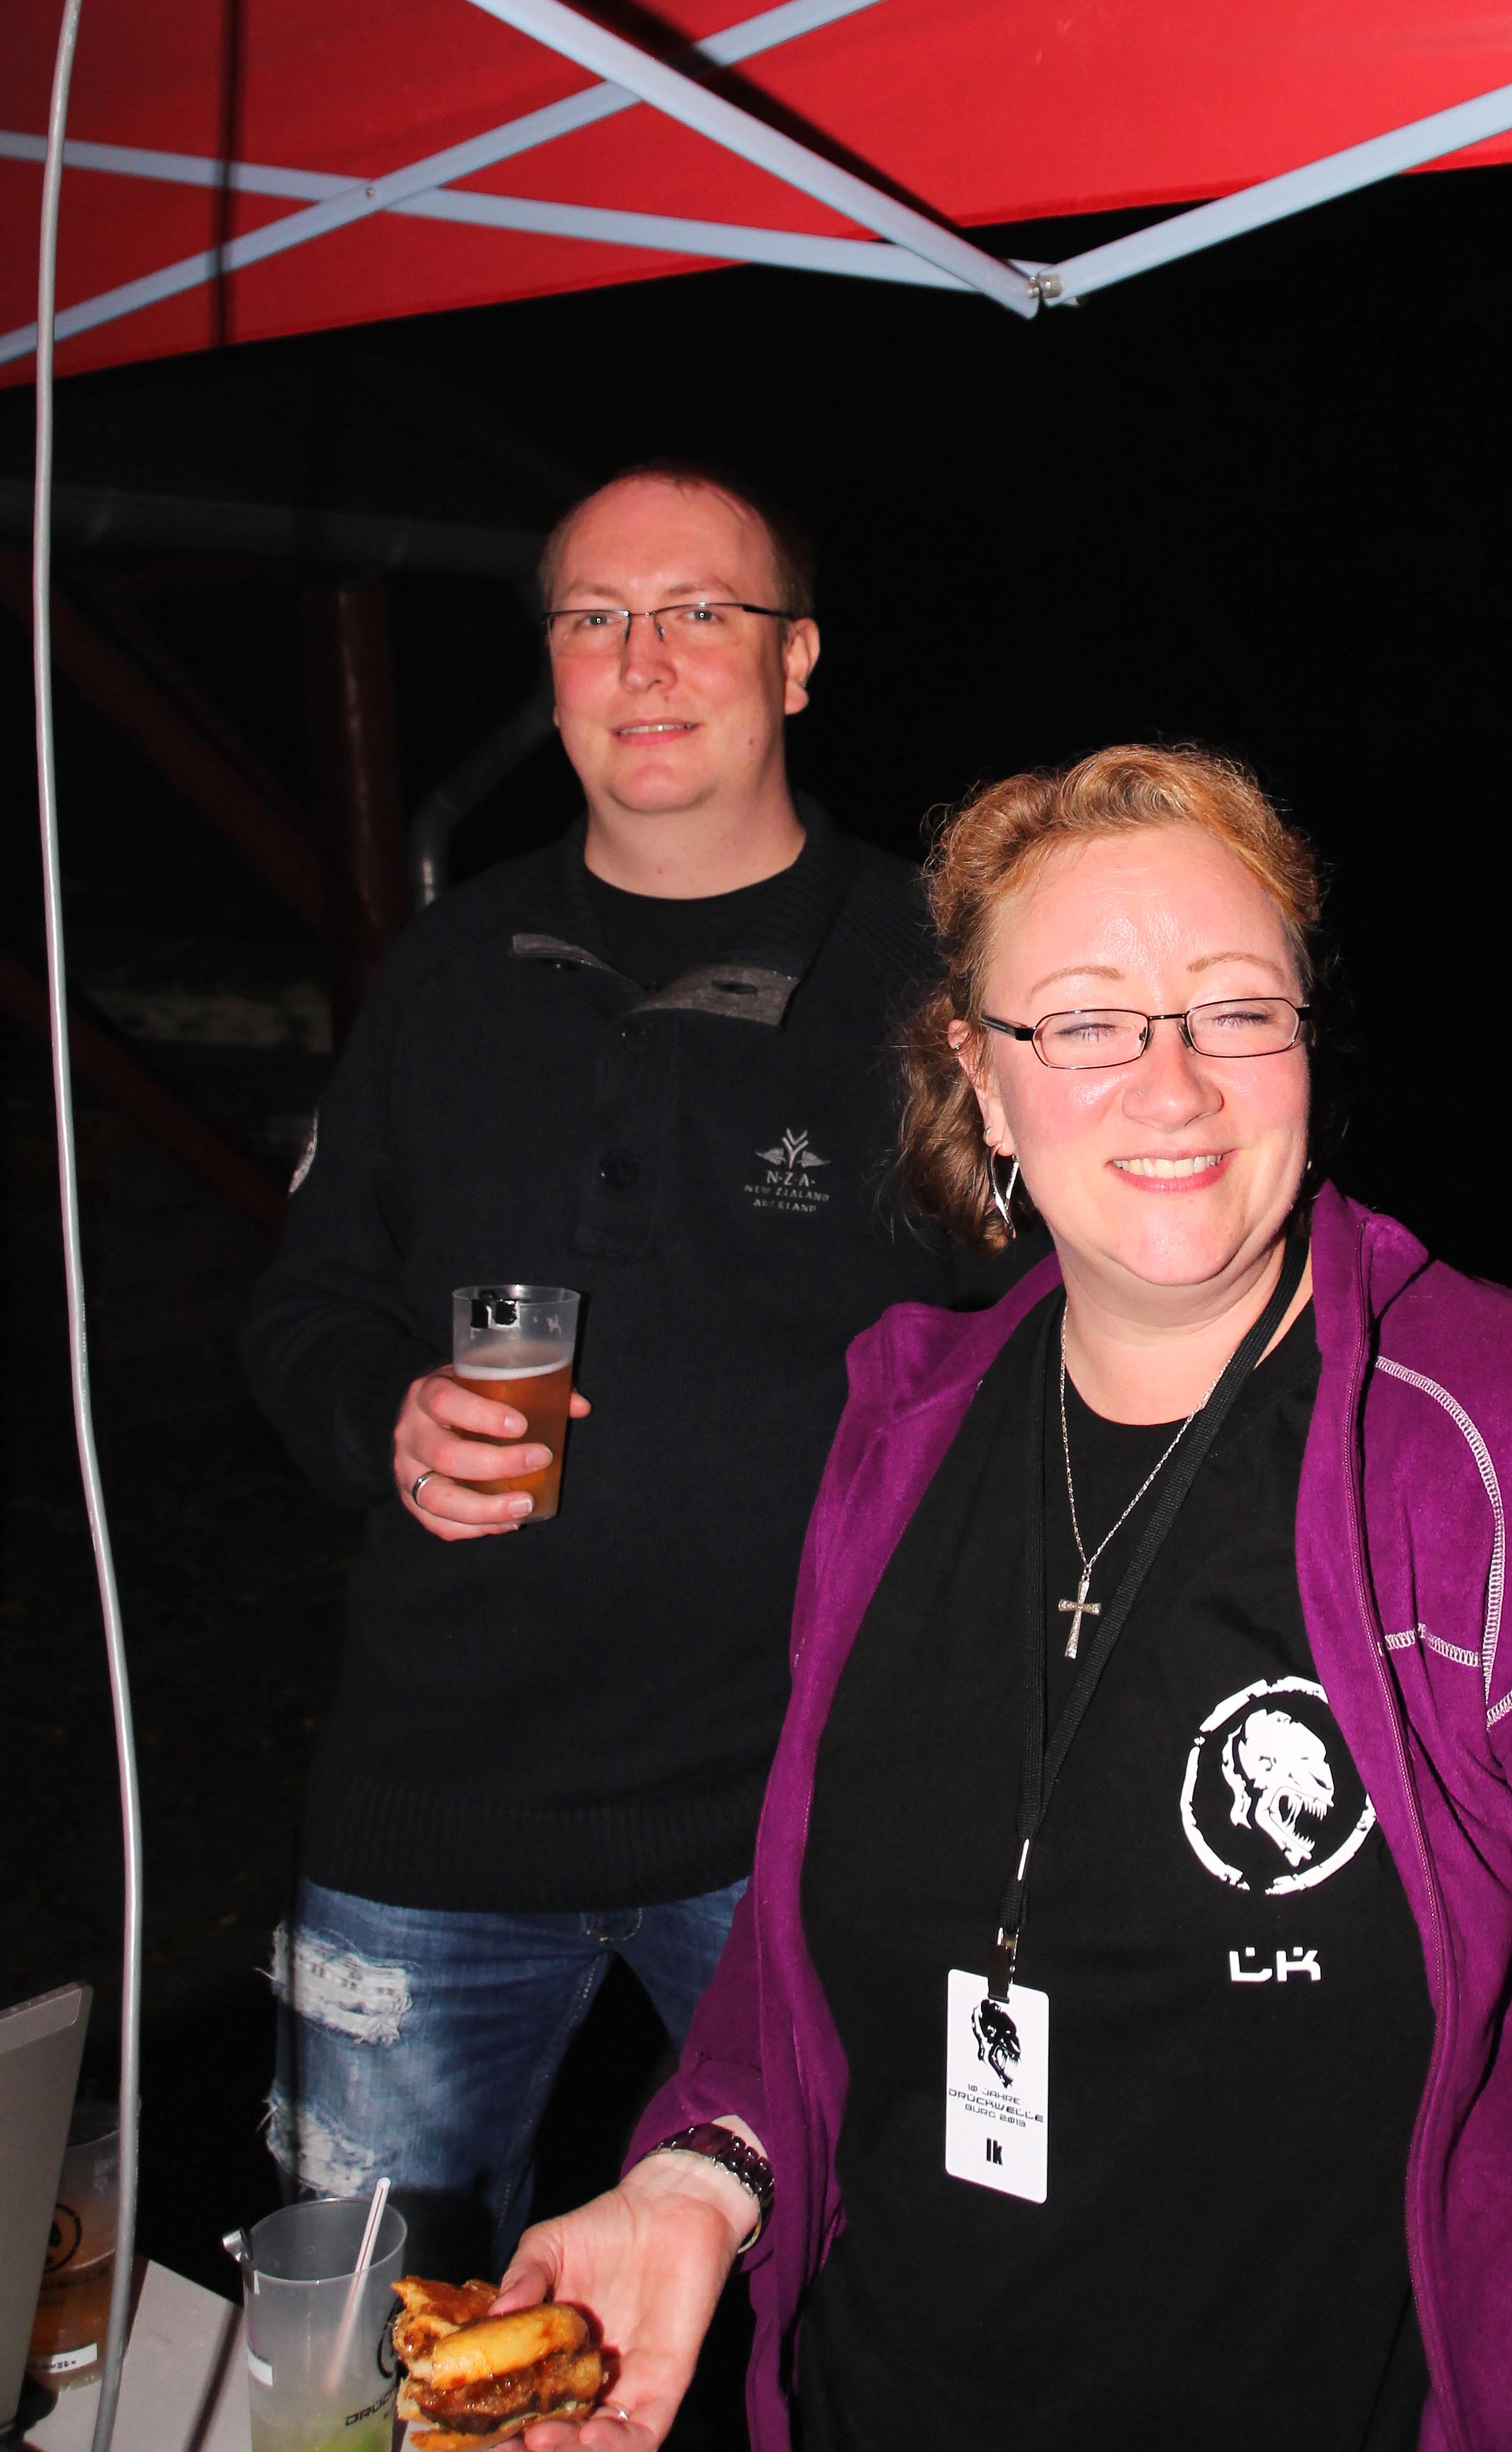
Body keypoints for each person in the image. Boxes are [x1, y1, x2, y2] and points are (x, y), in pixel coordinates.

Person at [500, 742, 1512, 2452]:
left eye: (1236, 1011)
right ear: (981, 1078)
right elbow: (807, 1952)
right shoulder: (900, 1437)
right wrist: (701, 2173)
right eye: (1087, 1023)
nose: (1173, 1087)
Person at [243, 459, 1001, 2268]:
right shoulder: (448, 964)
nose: (642, 660)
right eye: (594, 618)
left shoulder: (937, 983)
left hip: (803, 1822)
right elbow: (304, 1311)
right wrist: (386, 1417)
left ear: (797, 659)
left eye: (698, 614)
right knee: (374, 2352)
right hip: (432, 1824)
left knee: (866, 2312)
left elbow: (1053, 1348)